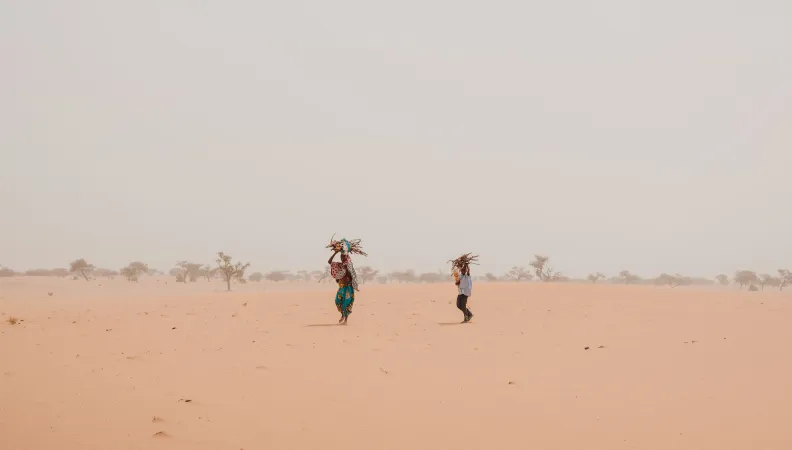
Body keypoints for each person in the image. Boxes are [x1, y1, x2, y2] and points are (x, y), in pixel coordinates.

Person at [326, 237, 366, 324]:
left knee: (346, 303)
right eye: (341, 256)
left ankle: (346, 320)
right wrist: (335, 253)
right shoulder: (341, 265)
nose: (342, 258)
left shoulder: (348, 264)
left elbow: (352, 274)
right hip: (341, 286)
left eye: (343, 256)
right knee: (338, 301)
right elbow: (329, 262)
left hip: (348, 287)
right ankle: (343, 315)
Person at [449, 253, 478, 323]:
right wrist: (457, 283)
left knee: (463, 305)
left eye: (463, 270)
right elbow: (458, 282)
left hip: (466, 292)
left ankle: (466, 318)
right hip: (461, 292)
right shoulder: (461, 276)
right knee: (458, 305)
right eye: (462, 270)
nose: (462, 271)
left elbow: (467, 269)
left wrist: (465, 263)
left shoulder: (467, 275)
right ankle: (469, 314)